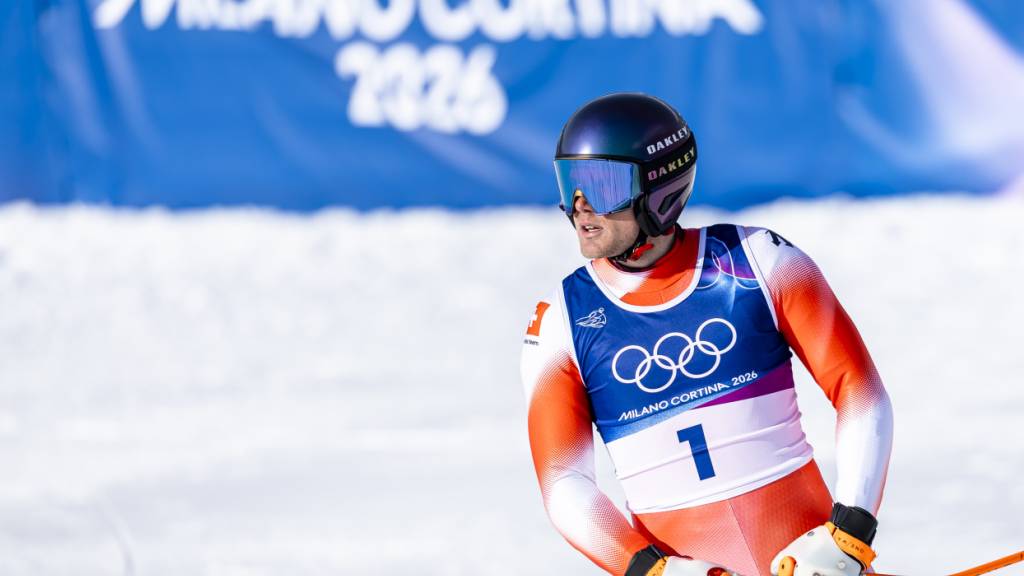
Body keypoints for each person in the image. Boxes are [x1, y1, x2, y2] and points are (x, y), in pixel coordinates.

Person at [520, 93, 894, 576]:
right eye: (569, 185)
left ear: (659, 189)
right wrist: (655, 570)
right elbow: (564, 484)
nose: (580, 207)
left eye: (601, 186)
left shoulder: (761, 262)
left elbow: (860, 395)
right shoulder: (559, 322)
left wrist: (848, 537)